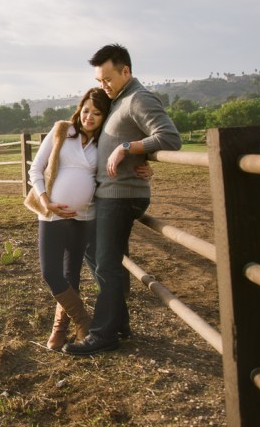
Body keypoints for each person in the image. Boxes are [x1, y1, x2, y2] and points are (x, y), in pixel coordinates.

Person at [64, 43, 181, 356]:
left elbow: (170, 137)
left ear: (126, 71)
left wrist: (128, 149)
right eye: (100, 80)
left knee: (106, 263)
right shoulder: (118, 101)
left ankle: (104, 334)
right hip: (111, 194)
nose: (103, 85)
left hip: (122, 195)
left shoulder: (138, 98)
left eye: (108, 79)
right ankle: (118, 322)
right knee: (97, 255)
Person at [26, 88, 151, 350]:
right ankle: (83, 319)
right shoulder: (62, 131)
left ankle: (60, 328)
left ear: (104, 116)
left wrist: (146, 165)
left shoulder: (104, 142)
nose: (89, 117)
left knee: (70, 274)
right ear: (79, 109)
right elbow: (36, 168)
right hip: (52, 214)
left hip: (84, 216)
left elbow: (125, 160)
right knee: (51, 272)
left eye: (96, 113)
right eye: (86, 110)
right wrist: (46, 200)